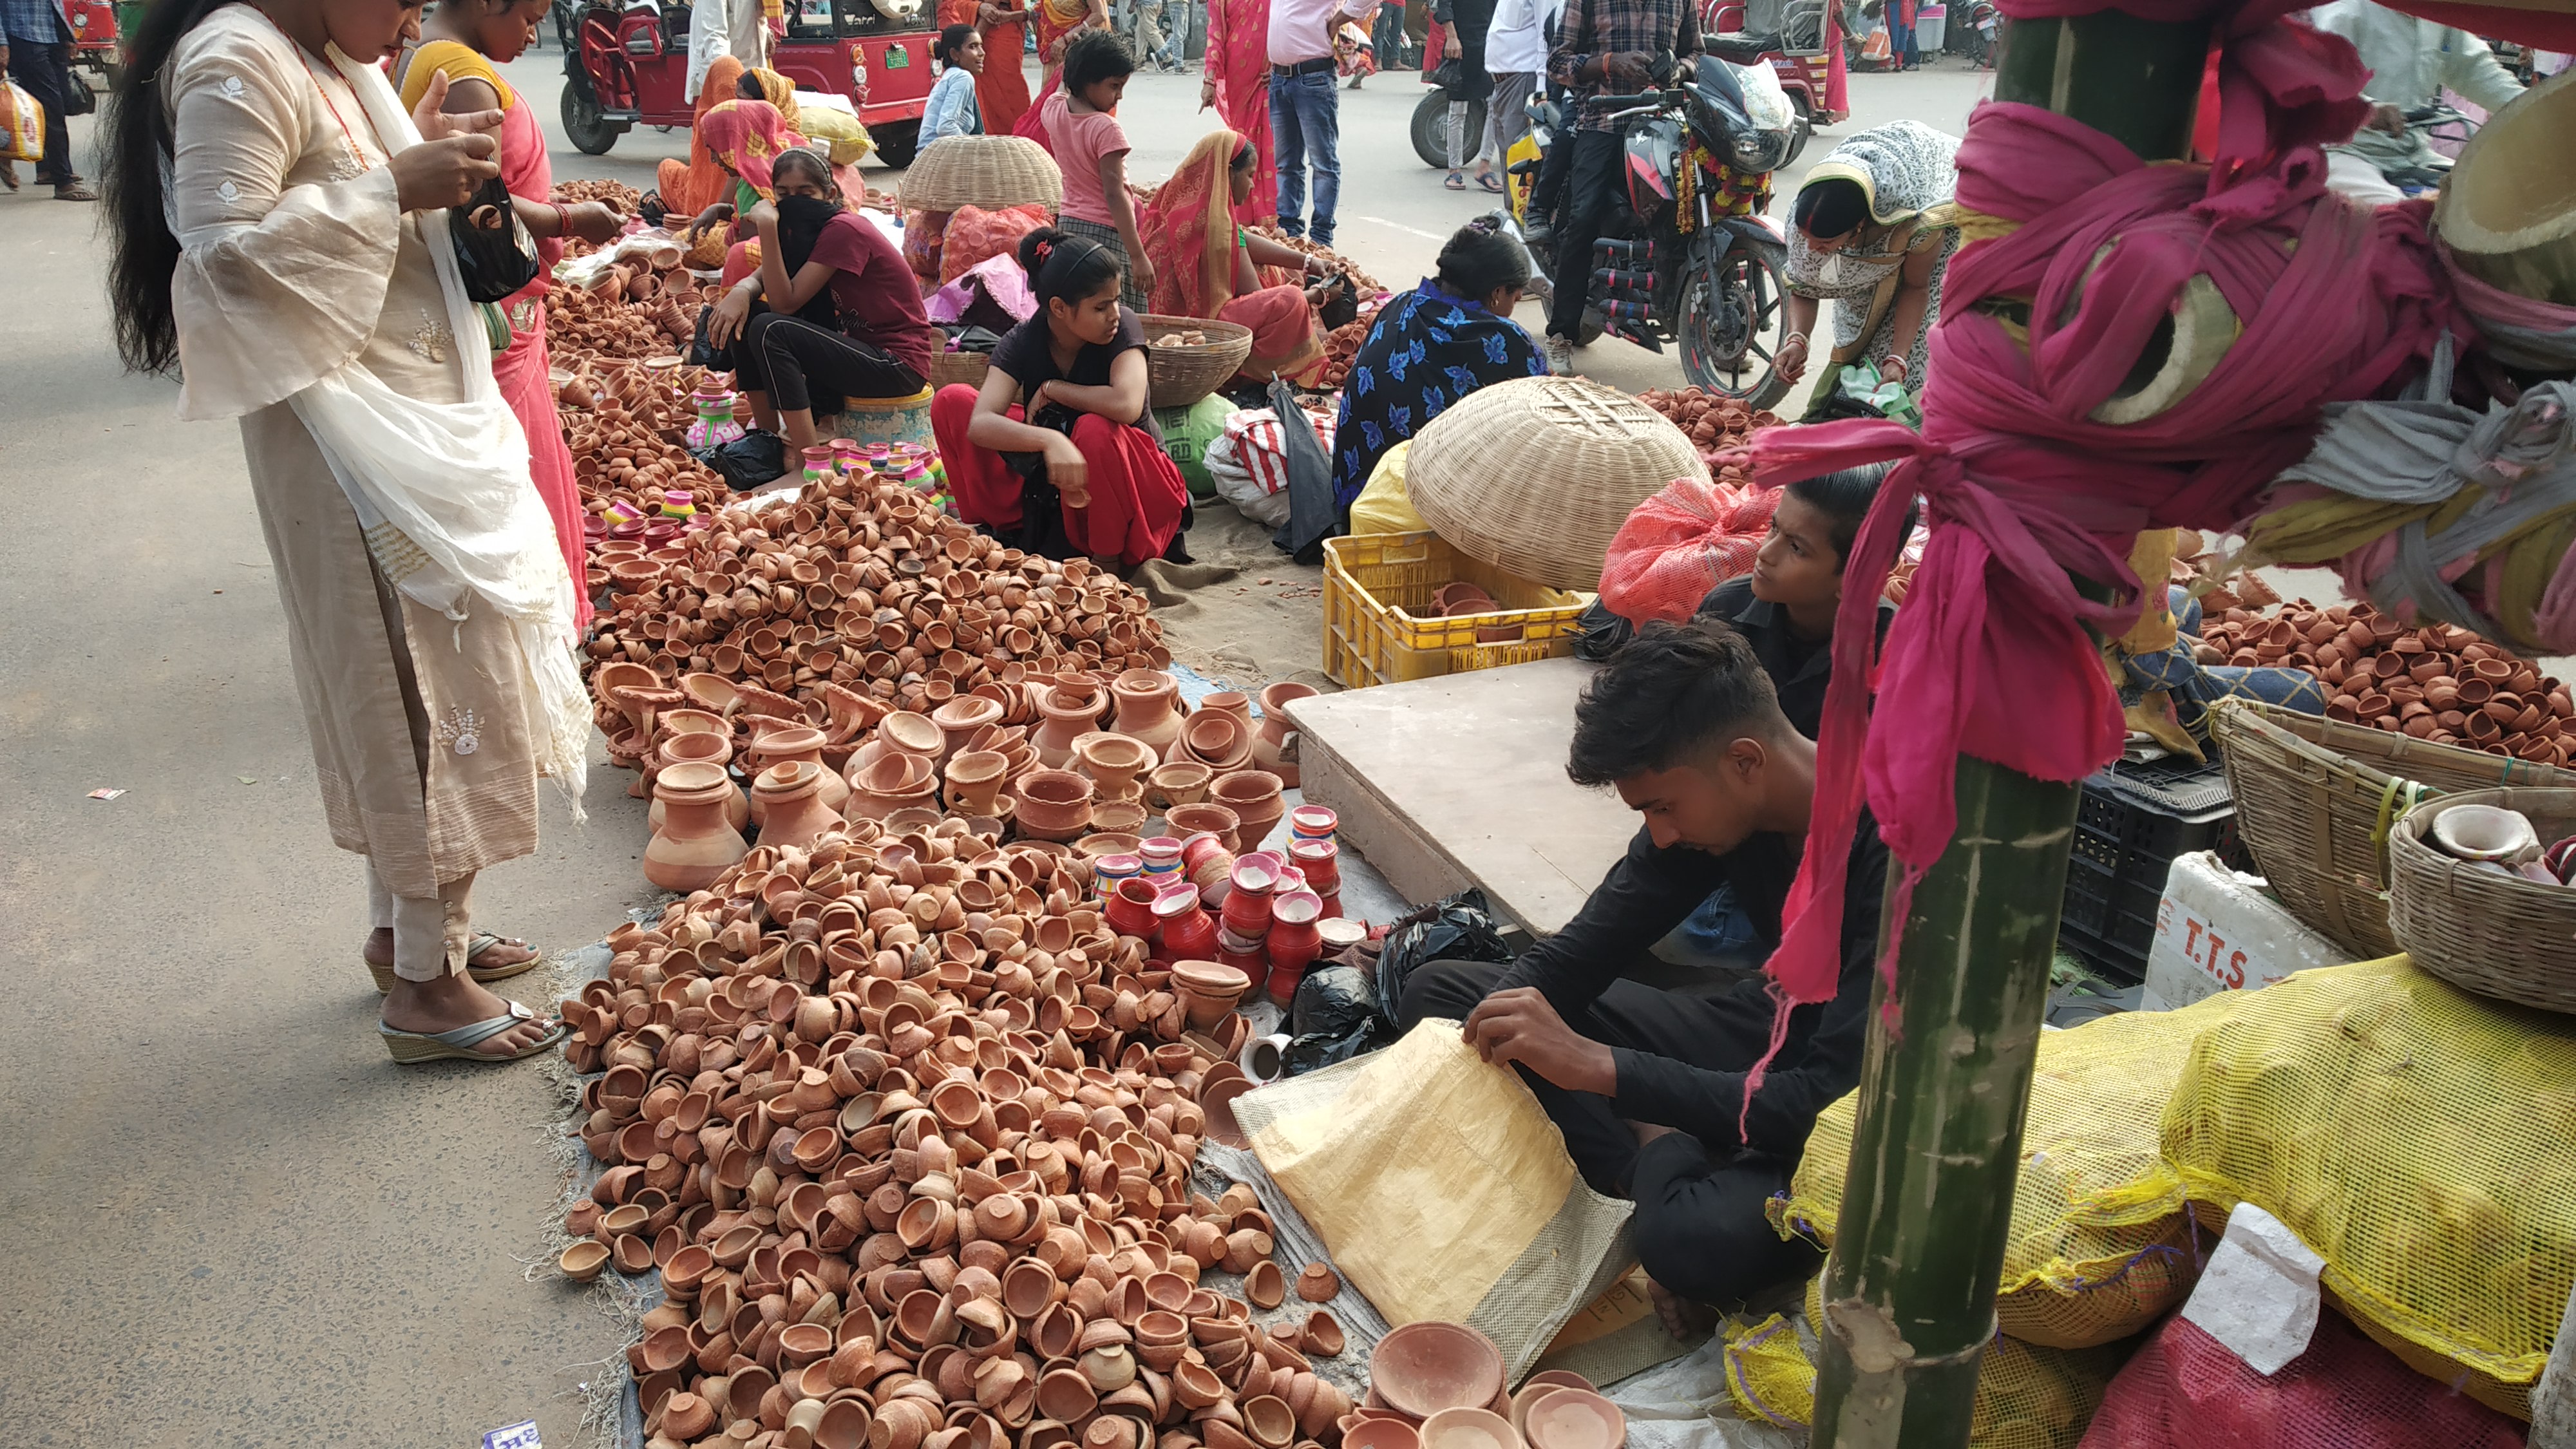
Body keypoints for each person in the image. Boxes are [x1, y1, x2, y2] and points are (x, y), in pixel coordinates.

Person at [104, 0, 586, 1062]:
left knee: (429, 679)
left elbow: (400, 225)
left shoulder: (321, 54)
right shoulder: (236, 60)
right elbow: (222, 260)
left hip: (408, 421)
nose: (415, 12)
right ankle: (425, 988)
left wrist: (523, 220)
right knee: (411, 683)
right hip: (352, 446)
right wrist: (389, 190)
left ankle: (413, 936)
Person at [1399, 620, 1889, 1317]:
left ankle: (1663, 1168)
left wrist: (1604, 1069)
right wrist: (1486, 1044)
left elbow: (1821, 1102)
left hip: (1851, 1100)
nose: (1658, 833)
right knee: (1451, 996)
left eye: (1662, 807)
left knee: (1696, 1241)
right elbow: (1583, 949)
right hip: (1763, 1026)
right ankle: (1657, 1163)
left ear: (1745, 761)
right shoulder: (1709, 807)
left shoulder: (1897, 852)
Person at [395, 0, 626, 630]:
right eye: (526, 16)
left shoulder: (433, 57)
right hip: (499, 306)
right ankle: (537, 610)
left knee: (515, 451)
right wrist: (573, 219)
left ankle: (540, 599)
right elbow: (480, 203)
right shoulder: (460, 72)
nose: (532, 34)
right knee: (517, 457)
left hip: (500, 307)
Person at [1664, 465, 1904, 964]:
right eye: (1775, 527)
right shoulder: (1727, 615)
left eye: (1797, 548)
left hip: (1830, 888)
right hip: (1723, 849)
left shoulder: (1902, 661)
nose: (1766, 555)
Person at [931, 227, 1192, 567]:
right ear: (1058, 308)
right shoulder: (1023, 339)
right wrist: (1051, 440)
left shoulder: (1122, 327)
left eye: (1116, 300)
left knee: (1095, 429)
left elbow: (1126, 406)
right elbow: (981, 423)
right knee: (953, 402)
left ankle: (1106, 560)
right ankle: (998, 527)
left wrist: (1056, 390)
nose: (1114, 313)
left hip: (1135, 489)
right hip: (1060, 483)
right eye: (1101, 306)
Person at [705, 148, 938, 459]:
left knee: (771, 327)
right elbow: (776, 272)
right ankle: (767, 441)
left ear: (829, 194)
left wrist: (768, 229)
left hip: (897, 363)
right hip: (860, 347)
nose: (794, 202)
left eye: (805, 193)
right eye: (784, 194)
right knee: (751, 319)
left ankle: (806, 462)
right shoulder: (813, 231)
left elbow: (785, 304)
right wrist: (742, 289)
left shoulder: (844, 230)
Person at [1330, 220, 1547, 514]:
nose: (1519, 299)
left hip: (1357, 494)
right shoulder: (1506, 341)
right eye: (1516, 293)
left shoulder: (1401, 304)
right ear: (1497, 293)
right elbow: (1545, 415)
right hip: (1430, 507)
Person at [1542, 0, 1698, 375]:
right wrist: (1609, 63)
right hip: (1603, 120)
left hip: (1664, 122)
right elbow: (1558, 63)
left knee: (1689, 214)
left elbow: (1695, 54)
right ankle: (1561, 333)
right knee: (1584, 218)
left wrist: (1681, 68)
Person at [1775, 119, 1958, 414]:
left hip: (1932, 187)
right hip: (1876, 186)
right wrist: (1798, 339)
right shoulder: (1806, 221)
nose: (1812, 249)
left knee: (1911, 351)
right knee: (1860, 327)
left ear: (1858, 227)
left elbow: (1916, 287)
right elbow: (1805, 285)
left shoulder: (1919, 222)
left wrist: (1898, 358)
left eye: (1824, 242)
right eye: (1807, 240)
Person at [1141, 129, 1337, 382]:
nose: (1253, 184)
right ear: (1228, 172)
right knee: (1287, 298)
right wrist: (1318, 296)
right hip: (1201, 334)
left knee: (1271, 270)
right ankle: (1250, 377)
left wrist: (1308, 262)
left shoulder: (1185, 205)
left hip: (1172, 326)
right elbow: (1257, 295)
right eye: (1249, 175)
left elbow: (1240, 239)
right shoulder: (1214, 225)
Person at [2309, 0, 2523, 205]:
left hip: (2414, 153)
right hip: (2345, 153)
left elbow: (2474, 70)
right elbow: (2320, 83)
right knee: (2400, 219)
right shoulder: (2346, 9)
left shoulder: (2435, 16)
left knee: (2491, 197)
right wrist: (2366, 111)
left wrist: (2534, 106)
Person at [1041, 30, 1151, 312]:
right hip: (1107, 233)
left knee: (1085, 309)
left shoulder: (1052, 110)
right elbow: (1114, 194)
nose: (1119, 97)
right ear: (1088, 80)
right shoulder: (1105, 128)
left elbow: (1062, 87)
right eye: (1115, 86)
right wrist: (1138, 256)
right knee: (1120, 314)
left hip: (1069, 225)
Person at [1269, 0, 1378, 245]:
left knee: (1323, 163)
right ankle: (1289, 234)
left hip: (1314, 77)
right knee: (1287, 164)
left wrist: (1340, 19)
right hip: (1279, 78)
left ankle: (1321, 238)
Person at [2, 0, 95, 199]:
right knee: (51, 107)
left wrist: (68, 35)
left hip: (52, 36)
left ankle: (47, 170)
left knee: (60, 104)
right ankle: (63, 181)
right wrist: (1, 42)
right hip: (22, 37)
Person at [1199, 0, 1278, 223]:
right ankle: (1243, 214)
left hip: (1267, 75)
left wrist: (1280, 62)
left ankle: (1269, 214)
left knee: (1270, 144)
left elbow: (1284, 22)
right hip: (1239, 77)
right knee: (1245, 146)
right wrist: (1210, 81)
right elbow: (1215, 36)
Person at [1478, 0, 1558, 197]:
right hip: (1505, 83)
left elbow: (1547, 35)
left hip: (1525, 82)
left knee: (1523, 163)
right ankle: (1514, 219)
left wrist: (1541, 92)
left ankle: (1525, 222)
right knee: (1511, 159)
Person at [656, 53, 746, 222]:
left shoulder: (713, 116)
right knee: (667, 168)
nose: (727, 97)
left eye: (730, 91)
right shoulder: (748, 115)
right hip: (723, 205)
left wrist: (717, 213)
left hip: (722, 209)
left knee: (667, 170)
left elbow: (737, 172)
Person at [937, 0, 1034, 135]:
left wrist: (975, 36)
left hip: (1001, 29)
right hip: (969, 27)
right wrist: (979, 8)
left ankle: (1016, 139)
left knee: (1010, 93)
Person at [1434, 0, 1495, 191]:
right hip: (1460, 44)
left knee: (1496, 104)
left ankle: (1485, 165)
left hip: (1490, 43)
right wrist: (1452, 37)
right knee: (1458, 107)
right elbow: (1443, 5)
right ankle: (1454, 171)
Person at [922, 23, 986, 143]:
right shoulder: (963, 77)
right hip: (937, 157)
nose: (982, 53)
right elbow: (946, 126)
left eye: (981, 46)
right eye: (973, 47)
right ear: (954, 54)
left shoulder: (950, 75)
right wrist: (975, 148)